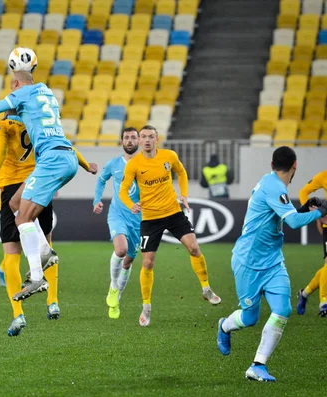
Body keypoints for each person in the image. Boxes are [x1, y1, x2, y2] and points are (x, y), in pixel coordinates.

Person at [0, 71, 82, 301]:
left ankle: (36, 276)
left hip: (46, 165)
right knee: (15, 205)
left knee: (22, 220)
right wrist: (84, 166)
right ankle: (45, 254)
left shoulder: (12, 113)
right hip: (64, 159)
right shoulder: (45, 102)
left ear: (16, 85)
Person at [0, 110, 96, 336]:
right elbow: (65, 145)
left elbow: (0, 153)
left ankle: (18, 314)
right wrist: (86, 165)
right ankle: (53, 302)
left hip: (13, 188)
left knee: (12, 253)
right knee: (46, 246)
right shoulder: (39, 125)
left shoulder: (3, 127)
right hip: (40, 184)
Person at [216, 147, 327, 382]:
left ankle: (257, 365)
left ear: (271, 163)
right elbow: (295, 224)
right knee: (250, 318)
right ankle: (225, 326)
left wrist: (306, 208)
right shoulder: (273, 187)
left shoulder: (273, 184)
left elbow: (286, 216)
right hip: (248, 261)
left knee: (283, 309)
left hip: (273, 261)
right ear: (295, 165)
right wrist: (320, 214)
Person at [118, 125, 221, 327]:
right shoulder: (133, 164)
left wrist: (183, 194)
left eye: (151, 136)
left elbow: (181, 173)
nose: (147, 140)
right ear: (139, 141)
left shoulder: (169, 156)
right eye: (144, 137)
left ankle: (206, 288)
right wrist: (131, 204)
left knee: (194, 248)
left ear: (157, 139)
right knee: (147, 263)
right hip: (150, 218)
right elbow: (123, 190)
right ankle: (146, 307)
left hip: (173, 212)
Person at [93, 127, 141, 319]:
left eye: (133, 137)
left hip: (139, 219)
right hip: (117, 214)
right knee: (120, 250)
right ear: (122, 141)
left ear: (138, 141)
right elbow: (101, 180)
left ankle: (117, 297)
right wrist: (97, 200)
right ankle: (113, 286)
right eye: (127, 137)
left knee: (128, 261)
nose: (130, 140)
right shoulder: (114, 164)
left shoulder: (146, 164)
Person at [296, 169, 327, 316]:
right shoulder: (323, 176)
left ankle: (305, 293)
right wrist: (313, 213)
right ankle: (324, 303)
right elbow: (303, 192)